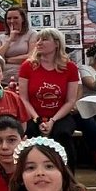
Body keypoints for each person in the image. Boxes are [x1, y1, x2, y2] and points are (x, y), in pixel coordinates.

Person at [18, 27, 81, 171]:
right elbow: (23, 98)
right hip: (33, 115)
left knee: (62, 134)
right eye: (38, 40)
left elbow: (70, 101)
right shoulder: (27, 66)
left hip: (60, 115)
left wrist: (52, 121)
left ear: (57, 43)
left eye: (45, 39)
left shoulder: (70, 67)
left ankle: (68, 176)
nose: (39, 43)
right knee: (30, 133)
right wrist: (37, 119)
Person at [0, 5, 38, 83]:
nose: (12, 21)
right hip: (3, 78)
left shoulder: (32, 34)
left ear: (23, 19)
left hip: (24, 76)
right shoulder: (0, 37)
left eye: (15, 18)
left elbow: (31, 56)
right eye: (9, 18)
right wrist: (9, 40)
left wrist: (6, 60)